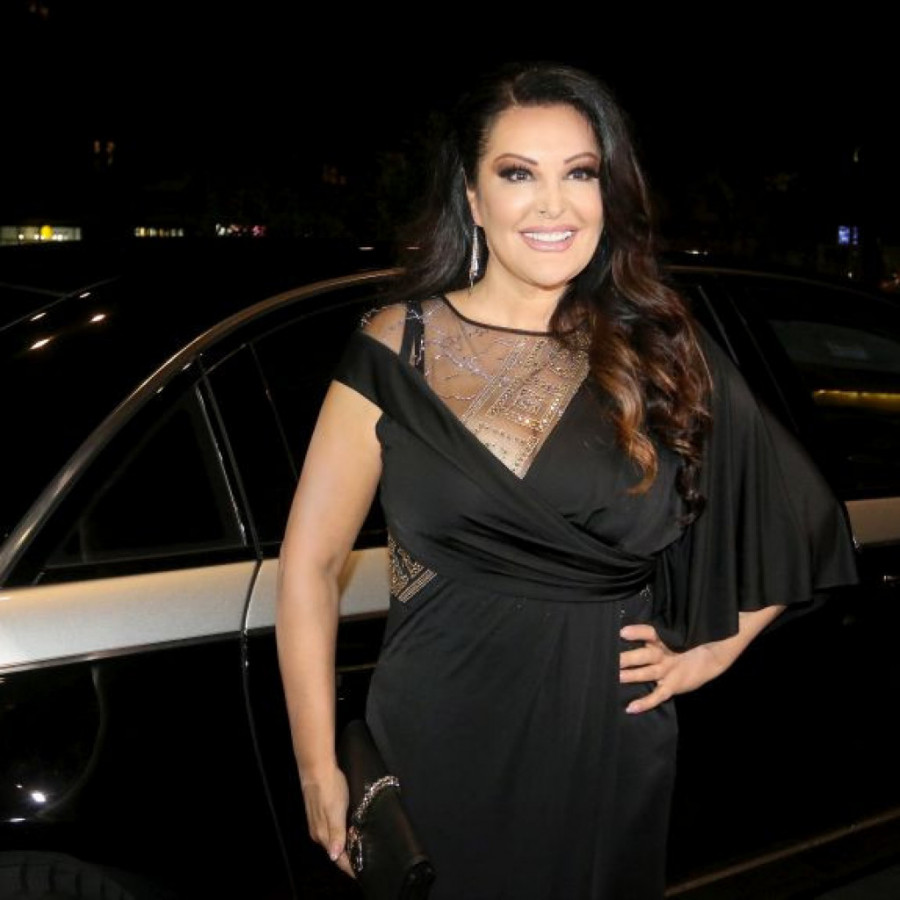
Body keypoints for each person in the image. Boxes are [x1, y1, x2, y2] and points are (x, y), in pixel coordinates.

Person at [275, 61, 859, 899]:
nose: (554, 205)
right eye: (519, 174)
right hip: (436, 731)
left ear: (606, 193)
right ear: (473, 199)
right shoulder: (397, 346)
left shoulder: (659, 348)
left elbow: (805, 519)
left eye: (579, 174)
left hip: (603, 738)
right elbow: (311, 563)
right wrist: (315, 764)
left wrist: (708, 654)